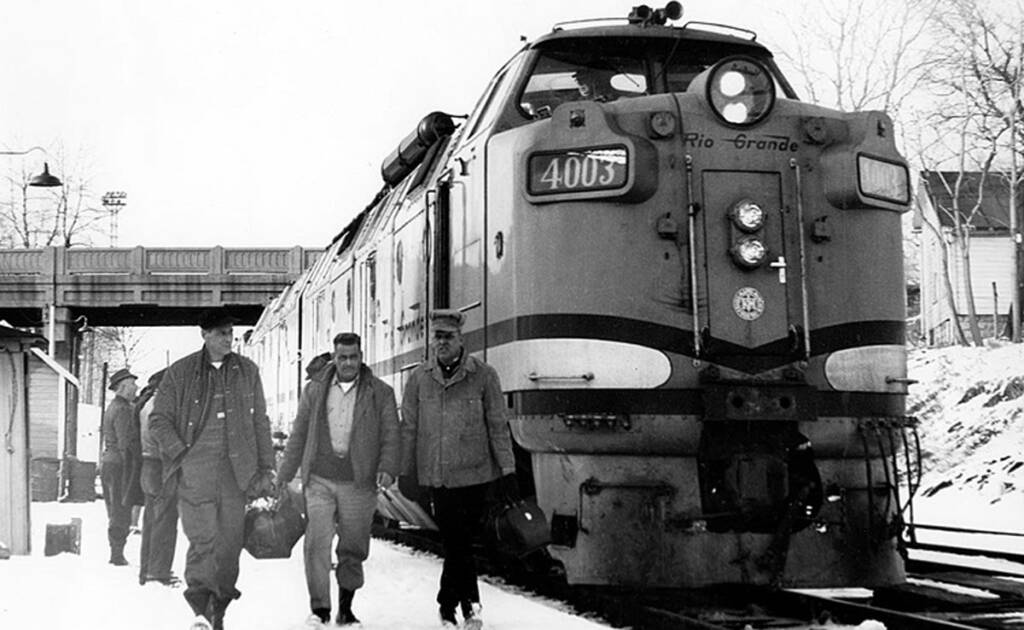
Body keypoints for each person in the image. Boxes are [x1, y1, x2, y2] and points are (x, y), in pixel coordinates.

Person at [149, 307, 276, 630]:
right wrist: (181, 452)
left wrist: (267, 467)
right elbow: (158, 420)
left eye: (231, 334)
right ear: (204, 334)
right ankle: (200, 609)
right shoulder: (180, 373)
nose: (228, 340)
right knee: (203, 539)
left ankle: (220, 607)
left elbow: (260, 421)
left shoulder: (248, 371)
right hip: (196, 473)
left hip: (237, 475)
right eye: (221, 334)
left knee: (230, 544)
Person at [399, 309, 518, 629]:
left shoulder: (484, 375)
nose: (441, 343)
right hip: (438, 475)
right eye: (436, 337)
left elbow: (497, 425)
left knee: (460, 542)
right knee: (457, 541)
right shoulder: (420, 379)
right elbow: (408, 427)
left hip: (477, 474)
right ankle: (467, 606)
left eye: (447, 337)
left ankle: (450, 604)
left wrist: (508, 471)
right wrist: (405, 470)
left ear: (460, 339)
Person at [277, 333, 400, 627]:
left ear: (361, 357)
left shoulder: (380, 392)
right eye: (342, 357)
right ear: (334, 357)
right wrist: (284, 474)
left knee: (353, 546)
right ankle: (320, 609)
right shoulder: (315, 390)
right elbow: (299, 434)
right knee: (316, 542)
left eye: (353, 357)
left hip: (359, 482)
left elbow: (391, 433)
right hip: (320, 479)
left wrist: (388, 467)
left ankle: (346, 608)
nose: (347, 363)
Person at [137, 369, 181, 586]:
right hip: (161, 468)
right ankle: (158, 571)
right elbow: (164, 441)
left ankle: (148, 570)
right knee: (164, 520)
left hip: (149, 466)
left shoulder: (148, 404)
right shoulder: (160, 407)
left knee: (152, 520)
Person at [100, 367, 139, 566]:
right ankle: (117, 554)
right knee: (120, 509)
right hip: (120, 465)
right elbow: (126, 442)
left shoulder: (114, 406)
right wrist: (133, 466)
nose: (136, 388)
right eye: (133, 384)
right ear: (123, 388)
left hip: (109, 462)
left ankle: (116, 551)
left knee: (115, 508)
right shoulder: (123, 409)